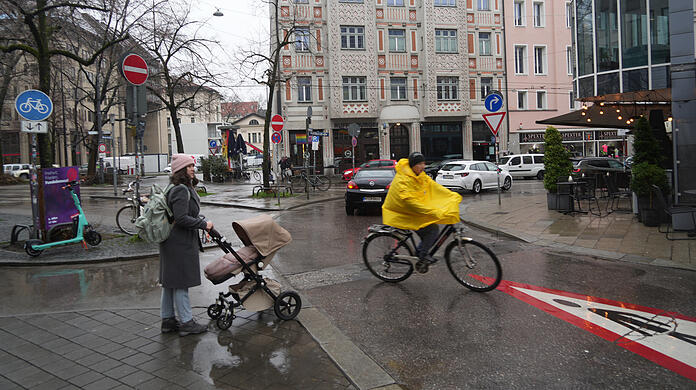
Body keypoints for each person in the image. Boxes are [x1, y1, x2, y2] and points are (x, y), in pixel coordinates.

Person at [160, 154, 213, 336]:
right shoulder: (181, 190)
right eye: (189, 166)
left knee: (169, 282)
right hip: (179, 241)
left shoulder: (173, 187)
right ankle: (186, 322)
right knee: (180, 282)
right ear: (181, 170)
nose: (193, 168)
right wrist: (203, 224)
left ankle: (167, 320)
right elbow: (181, 218)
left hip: (170, 240)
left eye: (193, 165)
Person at [382, 152, 462, 265]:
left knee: (431, 229)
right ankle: (422, 255)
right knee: (432, 229)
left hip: (413, 211)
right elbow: (409, 202)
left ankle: (420, 252)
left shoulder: (419, 175)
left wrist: (451, 195)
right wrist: (431, 211)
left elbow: (434, 186)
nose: (423, 166)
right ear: (413, 165)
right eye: (420, 164)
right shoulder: (403, 180)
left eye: (424, 163)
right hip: (402, 213)